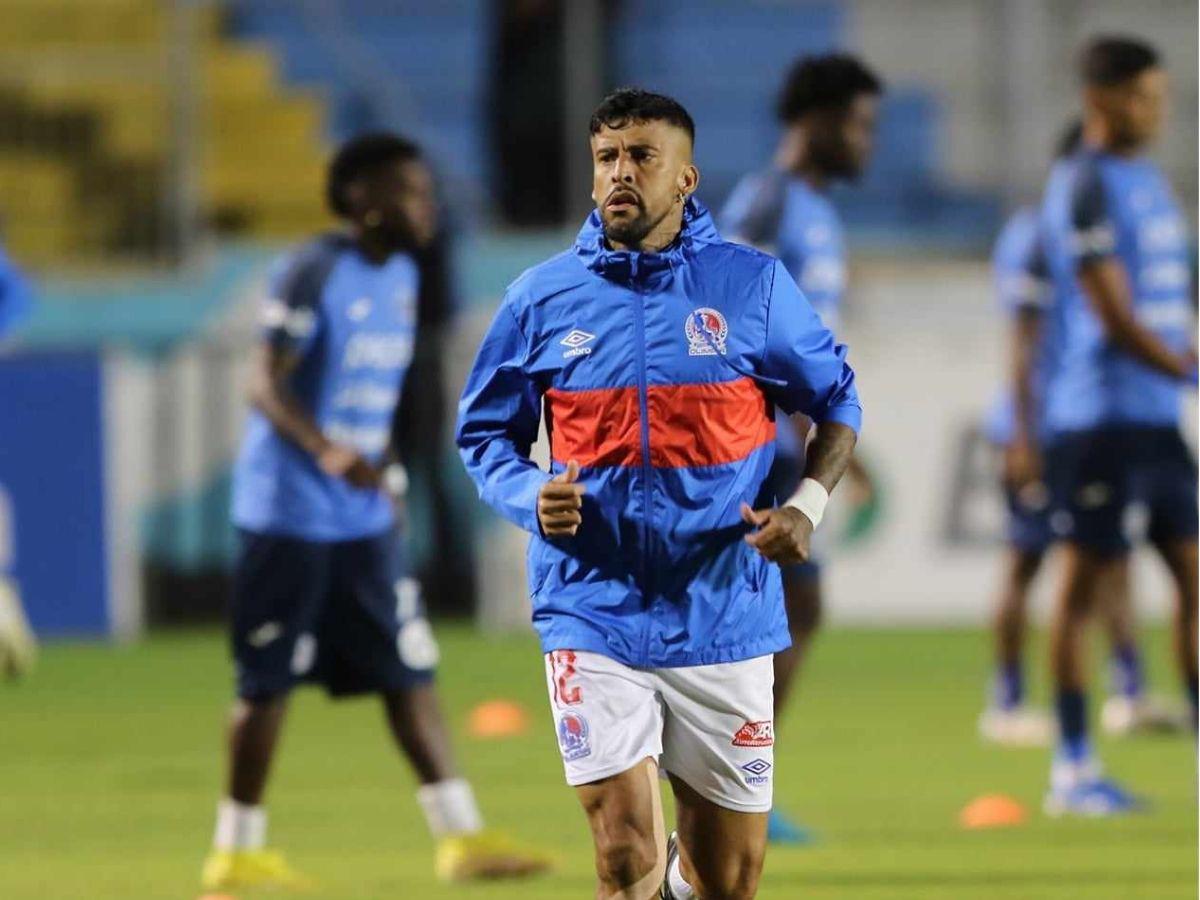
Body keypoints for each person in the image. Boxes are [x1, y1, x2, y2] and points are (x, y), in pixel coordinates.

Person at [457, 88, 861, 900]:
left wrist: (805, 506)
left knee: (727, 881)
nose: (619, 174)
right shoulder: (540, 298)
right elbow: (484, 437)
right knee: (621, 854)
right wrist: (531, 494)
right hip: (591, 603)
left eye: (642, 157)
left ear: (686, 178)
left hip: (724, 608)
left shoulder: (752, 288)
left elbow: (836, 402)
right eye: (606, 158)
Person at [201, 133, 550, 891]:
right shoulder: (313, 269)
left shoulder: (400, 274)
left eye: (428, 192)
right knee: (264, 684)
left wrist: (383, 473)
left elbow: (372, 394)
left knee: (408, 669)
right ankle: (234, 852)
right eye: (410, 192)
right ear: (362, 199)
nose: (426, 207)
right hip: (288, 515)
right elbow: (264, 382)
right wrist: (327, 450)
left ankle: (461, 839)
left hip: (360, 517)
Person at [719, 53, 881, 843]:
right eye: (858, 123)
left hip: (790, 440)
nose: (867, 141)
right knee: (768, 611)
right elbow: (728, 311)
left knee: (793, 609)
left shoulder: (813, 209)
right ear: (813, 120)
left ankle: (744, 784)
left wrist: (837, 442)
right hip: (753, 444)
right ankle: (728, 787)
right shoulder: (770, 202)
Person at [978, 122, 1180, 747]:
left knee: (1110, 560)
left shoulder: (1096, 236)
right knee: (1029, 559)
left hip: (1080, 419)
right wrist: (1025, 434)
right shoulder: (1037, 234)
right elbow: (1022, 341)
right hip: (1041, 423)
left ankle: (1129, 688)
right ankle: (1007, 699)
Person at [1039, 37, 1197, 816]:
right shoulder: (1083, 185)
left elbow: (1170, 302)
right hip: (1095, 418)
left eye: (1160, 97)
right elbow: (1111, 312)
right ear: (1102, 101)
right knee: (1081, 593)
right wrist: (1187, 367)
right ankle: (1072, 770)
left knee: (1194, 578)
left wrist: (1183, 363)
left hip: (1157, 419)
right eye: (1144, 98)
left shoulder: (1151, 183)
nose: (1157, 111)